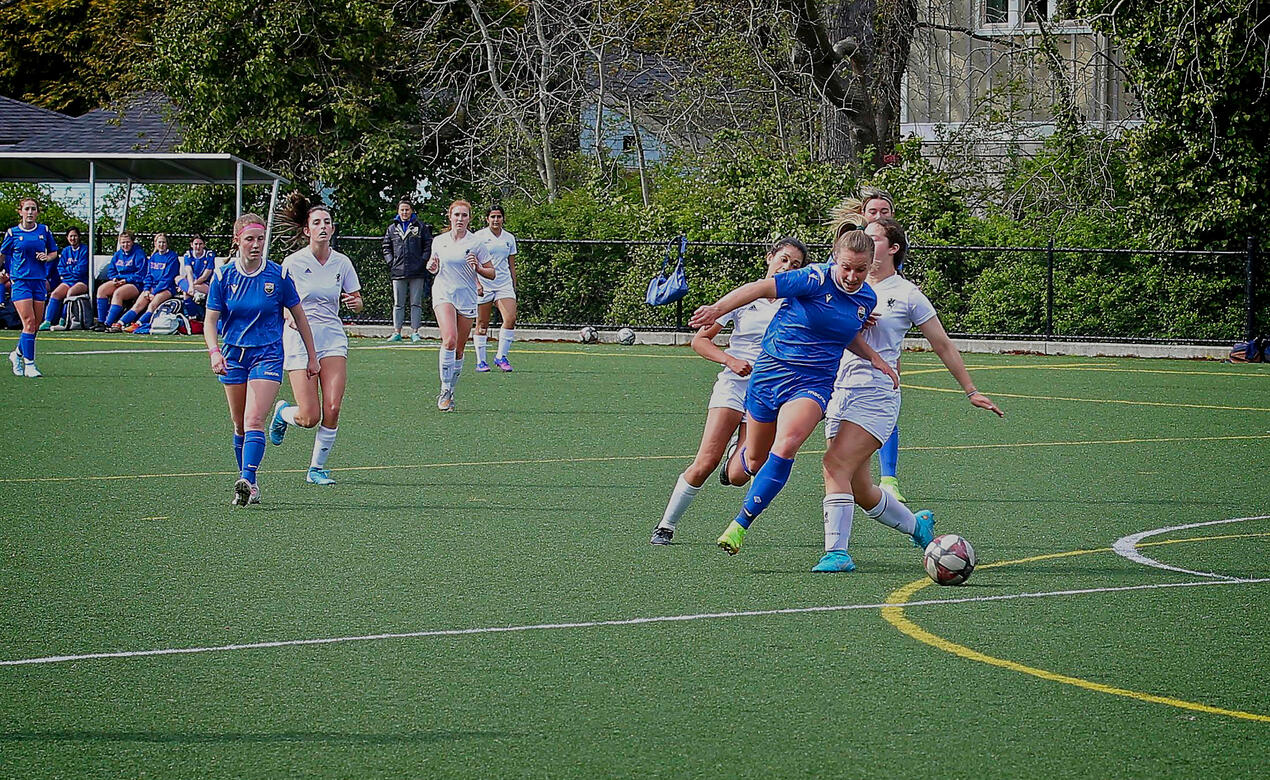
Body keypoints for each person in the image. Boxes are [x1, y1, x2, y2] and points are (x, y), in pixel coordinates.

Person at [688, 229, 898, 556]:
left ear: (871, 265)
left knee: (786, 446)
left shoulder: (866, 298)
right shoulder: (812, 279)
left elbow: (843, 333)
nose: (852, 276)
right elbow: (759, 287)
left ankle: (740, 525)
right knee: (752, 462)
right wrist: (717, 309)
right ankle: (738, 453)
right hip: (769, 374)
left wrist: (874, 358)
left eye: (860, 269)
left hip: (813, 383)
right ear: (834, 260)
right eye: (846, 267)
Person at [815, 217, 1004, 571]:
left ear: (892, 248)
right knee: (859, 487)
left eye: (873, 238)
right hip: (838, 391)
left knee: (833, 464)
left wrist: (971, 390)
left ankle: (836, 553)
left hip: (876, 395)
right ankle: (919, 527)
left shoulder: (906, 294)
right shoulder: (841, 282)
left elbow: (943, 344)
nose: (865, 243)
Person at [651, 237, 808, 545]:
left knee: (740, 474)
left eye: (795, 265)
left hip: (767, 392)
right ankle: (666, 526)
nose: (787, 267)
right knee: (705, 461)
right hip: (734, 387)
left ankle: (738, 454)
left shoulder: (799, 301)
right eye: (784, 259)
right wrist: (730, 360)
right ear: (769, 257)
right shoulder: (747, 296)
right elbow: (700, 340)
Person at [204, 213, 319, 507]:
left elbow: (300, 316)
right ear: (237, 241)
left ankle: (247, 478)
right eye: (249, 239)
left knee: (254, 418)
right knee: (239, 423)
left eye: (260, 239)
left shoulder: (277, 275)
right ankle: (250, 483)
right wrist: (215, 351)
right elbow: (210, 321)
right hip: (233, 356)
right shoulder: (222, 276)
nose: (256, 245)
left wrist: (312, 356)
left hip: (267, 354)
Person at [268, 194, 363, 485]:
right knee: (310, 417)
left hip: (332, 336)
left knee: (333, 407)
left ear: (333, 229)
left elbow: (357, 301)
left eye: (328, 222)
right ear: (307, 230)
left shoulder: (342, 263)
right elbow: (281, 301)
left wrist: (354, 304)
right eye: (317, 222)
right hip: (299, 337)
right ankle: (284, 412)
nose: (323, 227)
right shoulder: (293, 263)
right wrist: (287, 315)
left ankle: (316, 468)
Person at [827, 187, 908, 501]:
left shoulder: (892, 267)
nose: (878, 216)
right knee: (835, 433)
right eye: (872, 212)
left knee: (886, 401)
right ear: (862, 216)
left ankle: (889, 478)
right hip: (843, 358)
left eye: (884, 212)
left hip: (879, 357)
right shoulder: (847, 258)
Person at [427, 199, 495, 412]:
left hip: (466, 296)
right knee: (449, 340)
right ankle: (445, 389)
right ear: (450, 216)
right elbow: (434, 264)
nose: (460, 219)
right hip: (443, 292)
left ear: (469, 219)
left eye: (464, 215)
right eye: (456, 215)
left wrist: (478, 268)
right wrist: (431, 266)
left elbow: (491, 273)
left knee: (458, 349)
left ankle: (451, 389)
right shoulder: (439, 240)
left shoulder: (476, 243)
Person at [1, 197, 58, 378]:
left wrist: (46, 257)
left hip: (39, 281)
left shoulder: (44, 231)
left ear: (38, 212)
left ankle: (16, 354)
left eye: (33, 209)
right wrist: (2, 272)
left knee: (35, 324)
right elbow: (2, 254)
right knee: (29, 321)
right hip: (21, 281)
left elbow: (54, 252)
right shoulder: (13, 233)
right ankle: (30, 365)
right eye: (27, 209)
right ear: (21, 212)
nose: (30, 212)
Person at [471, 206, 518, 372]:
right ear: (487, 219)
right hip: (485, 285)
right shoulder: (478, 237)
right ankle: (481, 361)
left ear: (503, 218)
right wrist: (477, 284)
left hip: (503, 284)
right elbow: (472, 264)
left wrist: (513, 283)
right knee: (482, 324)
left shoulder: (509, 238)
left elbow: (511, 264)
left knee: (510, 319)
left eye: (499, 217)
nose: (496, 220)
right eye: (493, 217)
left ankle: (501, 356)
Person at [382, 198, 432, 343]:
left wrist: (422, 261)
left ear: (412, 211)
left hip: (417, 271)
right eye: (402, 209)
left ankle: (415, 332)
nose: (404, 212)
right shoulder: (392, 228)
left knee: (416, 303)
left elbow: (427, 245)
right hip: (398, 271)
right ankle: (396, 331)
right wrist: (391, 262)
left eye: (407, 209)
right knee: (398, 303)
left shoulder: (420, 227)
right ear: (398, 211)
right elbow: (386, 246)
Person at [117, 233, 180, 332]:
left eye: (163, 242)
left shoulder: (172, 257)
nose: (161, 244)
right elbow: (148, 275)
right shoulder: (153, 257)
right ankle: (120, 323)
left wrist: (153, 293)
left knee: (152, 305)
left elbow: (167, 279)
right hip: (152, 288)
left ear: (167, 243)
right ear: (155, 244)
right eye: (159, 242)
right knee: (138, 305)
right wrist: (146, 290)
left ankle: (137, 325)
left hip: (166, 288)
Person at [94, 231, 148, 331]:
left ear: (132, 241)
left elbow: (141, 275)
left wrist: (126, 280)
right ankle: (101, 321)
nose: (125, 245)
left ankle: (108, 323)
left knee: (118, 293)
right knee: (101, 290)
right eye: (123, 242)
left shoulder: (139, 254)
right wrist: (114, 278)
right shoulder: (118, 254)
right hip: (119, 280)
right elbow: (111, 270)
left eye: (127, 242)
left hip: (135, 283)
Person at [40, 226, 87, 331]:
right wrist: (68, 274)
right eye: (71, 236)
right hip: (68, 281)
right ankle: (47, 321)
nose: (73, 238)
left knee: (70, 293)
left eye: (75, 236)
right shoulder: (66, 251)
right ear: (67, 238)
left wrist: (69, 273)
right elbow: (61, 268)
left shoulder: (85, 250)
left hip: (81, 282)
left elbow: (81, 269)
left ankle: (64, 320)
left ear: (79, 237)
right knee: (55, 294)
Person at [178, 234, 217, 317]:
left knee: (186, 292)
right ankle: (193, 315)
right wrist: (191, 286)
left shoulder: (209, 255)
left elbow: (205, 275)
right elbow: (189, 272)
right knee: (177, 279)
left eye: (200, 244)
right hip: (192, 283)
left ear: (204, 245)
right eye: (196, 244)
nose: (198, 247)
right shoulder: (188, 255)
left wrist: (191, 286)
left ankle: (193, 317)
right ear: (192, 245)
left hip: (206, 284)